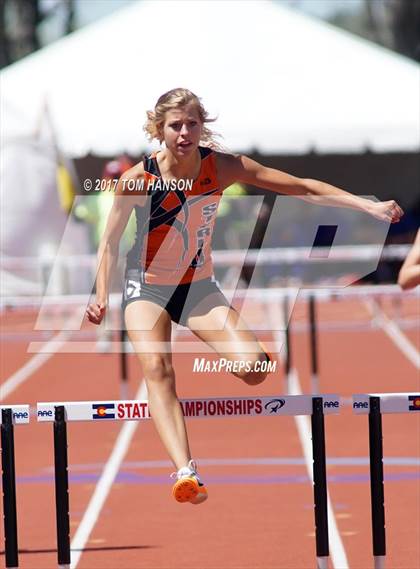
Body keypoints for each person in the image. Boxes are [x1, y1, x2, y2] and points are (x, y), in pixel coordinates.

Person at [86, 88, 404, 506]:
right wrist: (99, 292)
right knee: (158, 369)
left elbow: (300, 186)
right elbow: (109, 241)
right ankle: (186, 472)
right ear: (158, 129)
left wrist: (367, 208)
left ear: (202, 126)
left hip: (196, 286)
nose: (184, 132)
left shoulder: (222, 168)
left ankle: (218, 364)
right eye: (175, 125)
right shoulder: (137, 179)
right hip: (145, 285)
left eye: (191, 124)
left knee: (254, 369)